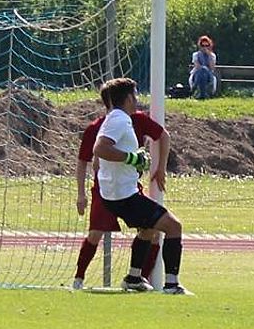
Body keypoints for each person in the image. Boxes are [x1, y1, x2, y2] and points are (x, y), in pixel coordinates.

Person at [92, 77, 188, 295]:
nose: (137, 100)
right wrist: (132, 158)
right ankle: (172, 285)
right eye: (135, 95)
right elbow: (100, 149)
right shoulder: (119, 119)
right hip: (123, 195)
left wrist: (136, 159)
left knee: (148, 228)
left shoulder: (115, 118)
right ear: (128, 98)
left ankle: (134, 278)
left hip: (117, 193)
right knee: (174, 227)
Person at [73, 88, 169, 290]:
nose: (135, 99)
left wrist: (160, 168)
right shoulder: (97, 128)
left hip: (130, 189)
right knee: (95, 233)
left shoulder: (138, 119)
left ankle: (139, 278)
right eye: (132, 96)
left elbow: (163, 135)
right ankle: (78, 279)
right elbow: (83, 160)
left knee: (153, 230)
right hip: (105, 190)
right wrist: (81, 194)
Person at [189, 35, 217, 99]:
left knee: (204, 71)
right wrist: (203, 69)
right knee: (202, 71)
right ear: (200, 46)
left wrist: (209, 55)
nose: (205, 47)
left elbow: (212, 68)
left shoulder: (212, 55)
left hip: (208, 75)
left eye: (207, 46)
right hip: (197, 73)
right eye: (203, 46)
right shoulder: (195, 54)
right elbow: (197, 66)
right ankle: (203, 93)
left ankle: (196, 90)